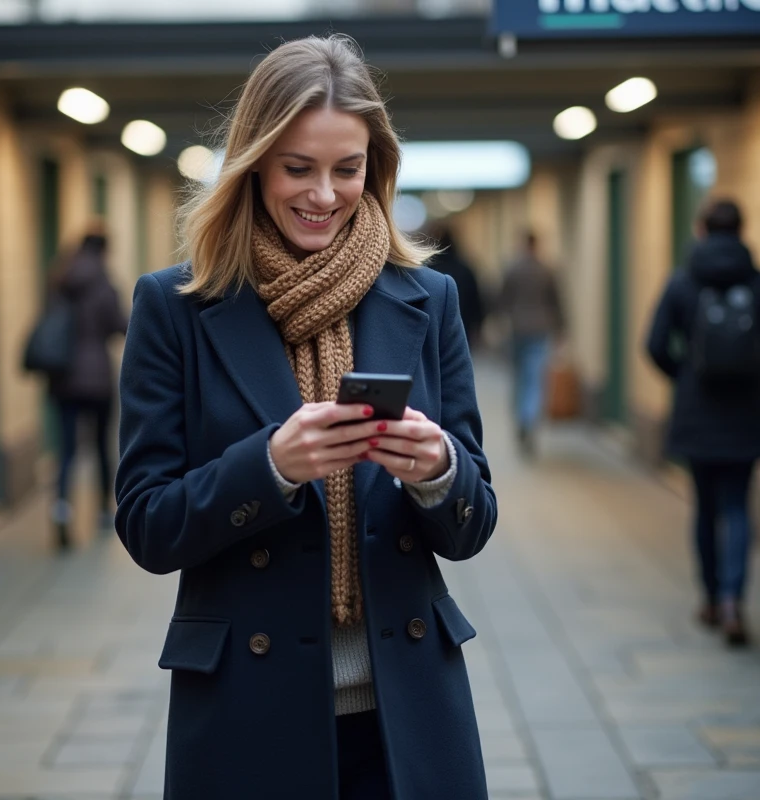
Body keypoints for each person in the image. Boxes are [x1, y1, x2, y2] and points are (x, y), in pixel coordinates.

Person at [114, 35, 497, 800]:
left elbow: (473, 524)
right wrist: (272, 466)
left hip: (407, 714)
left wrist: (439, 473)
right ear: (254, 163)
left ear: (375, 169)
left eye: (347, 169)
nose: (324, 194)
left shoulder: (427, 299)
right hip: (248, 717)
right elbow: (147, 525)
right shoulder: (177, 308)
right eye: (298, 168)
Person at [645, 199, 760, 647]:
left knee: (706, 508)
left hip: (698, 411)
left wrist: (685, 376)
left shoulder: (683, 279)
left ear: (702, 229)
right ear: (742, 228)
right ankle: (734, 600)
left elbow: (654, 344)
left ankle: (710, 598)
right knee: (737, 506)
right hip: (747, 411)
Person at [48, 226, 127, 550]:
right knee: (98, 446)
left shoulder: (59, 279)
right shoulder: (104, 283)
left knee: (66, 450)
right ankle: (103, 511)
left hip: (63, 377)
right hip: (96, 379)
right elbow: (121, 326)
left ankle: (62, 509)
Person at [497, 231, 564, 454]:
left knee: (519, 377)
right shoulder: (547, 270)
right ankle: (529, 418)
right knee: (534, 378)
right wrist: (562, 329)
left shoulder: (513, 268)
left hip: (517, 328)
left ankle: (521, 416)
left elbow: (503, 299)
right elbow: (556, 302)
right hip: (541, 329)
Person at [427, 225, 485, 349]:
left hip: (433, 327)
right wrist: (478, 324)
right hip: (463, 325)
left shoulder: (427, 271)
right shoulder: (465, 269)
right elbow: (475, 299)